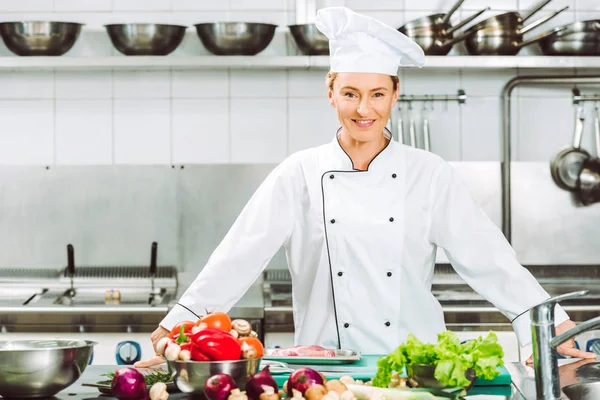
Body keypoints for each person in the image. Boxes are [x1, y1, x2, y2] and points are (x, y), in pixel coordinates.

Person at [148, 7, 595, 362]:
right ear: (330, 91)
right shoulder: (298, 173)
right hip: (323, 368)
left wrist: (549, 323)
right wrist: (180, 324)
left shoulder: (429, 174)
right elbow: (238, 255)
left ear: (395, 94)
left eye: (377, 94)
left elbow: (490, 260)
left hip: (415, 366)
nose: (364, 109)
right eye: (350, 94)